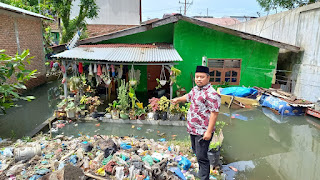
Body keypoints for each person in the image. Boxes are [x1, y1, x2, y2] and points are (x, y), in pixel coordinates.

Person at [171, 66, 221, 180]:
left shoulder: (212, 94)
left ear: (208, 78)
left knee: (202, 157)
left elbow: (214, 113)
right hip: (193, 129)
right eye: (197, 77)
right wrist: (178, 99)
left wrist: (208, 132)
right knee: (196, 152)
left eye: (202, 77)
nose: (199, 79)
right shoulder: (195, 89)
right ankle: (201, 173)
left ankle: (204, 177)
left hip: (203, 131)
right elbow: (188, 97)